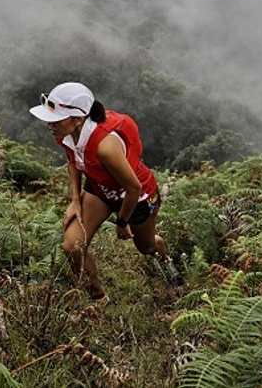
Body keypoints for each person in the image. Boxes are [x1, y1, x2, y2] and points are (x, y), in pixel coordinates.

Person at [29, 81, 182, 302]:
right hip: (100, 187)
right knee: (72, 246)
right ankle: (99, 299)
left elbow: (133, 188)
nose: (50, 125)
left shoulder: (105, 146)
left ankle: (165, 258)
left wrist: (122, 223)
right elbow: (73, 160)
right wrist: (74, 199)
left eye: (56, 120)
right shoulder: (65, 133)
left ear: (78, 118)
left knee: (146, 246)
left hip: (137, 196)